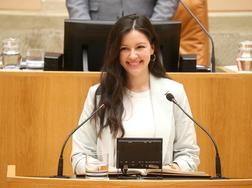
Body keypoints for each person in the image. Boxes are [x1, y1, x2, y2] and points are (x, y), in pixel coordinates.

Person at [71, 14, 200, 175]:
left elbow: (189, 154)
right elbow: (79, 156)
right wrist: (110, 171)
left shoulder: (173, 94)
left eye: (140, 47)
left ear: (152, 48)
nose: (132, 55)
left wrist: (167, 170)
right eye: (124, 48)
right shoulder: (98, 94)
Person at [66, 0, 178, 21]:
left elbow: (167, 2)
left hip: (144, 23)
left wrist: (155, 27)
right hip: (97, 23)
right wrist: (82, 26)